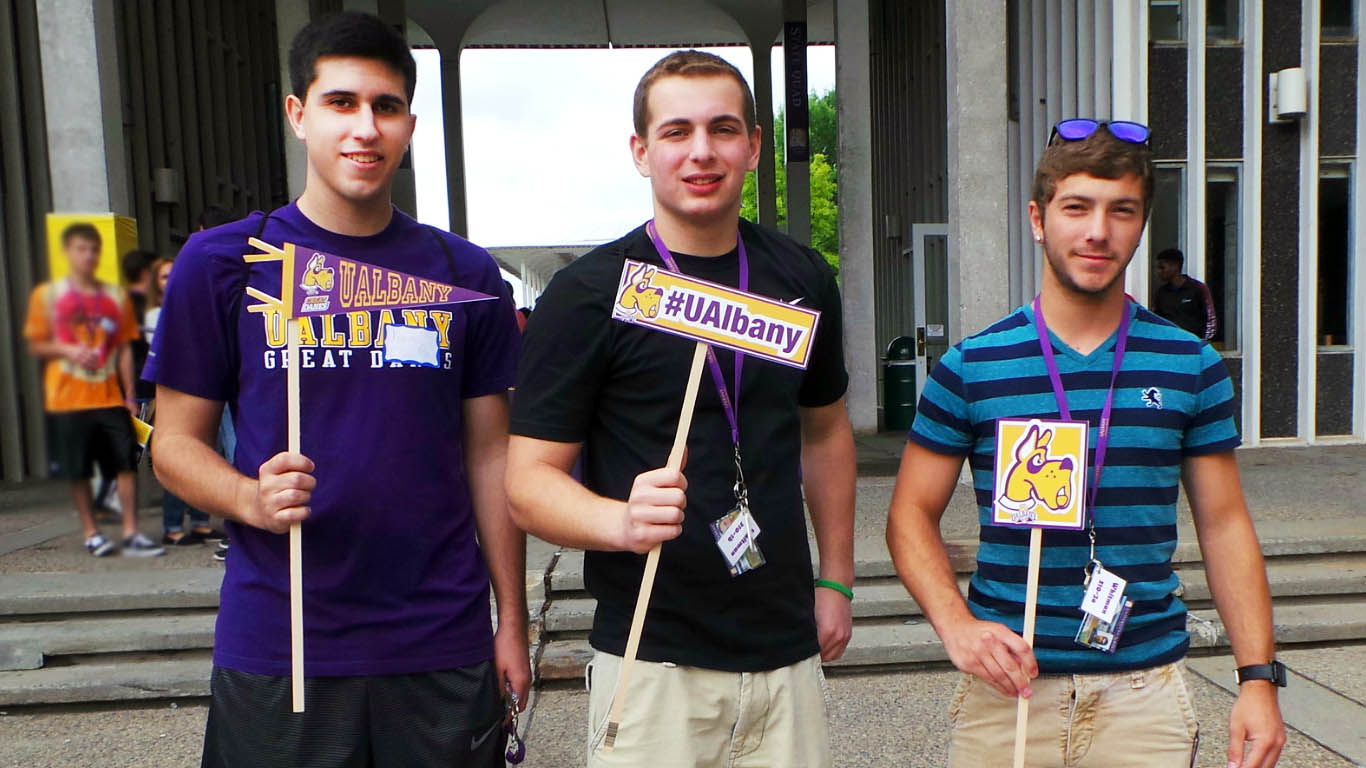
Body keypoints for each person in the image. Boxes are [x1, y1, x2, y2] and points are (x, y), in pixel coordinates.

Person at [144, 12, 529, 766]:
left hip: (438, 637)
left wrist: (509, 617)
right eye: (341, 103)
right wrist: (248, 497)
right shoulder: (226, 263)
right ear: (298, 114)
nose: (365, 128)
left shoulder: (464, 274)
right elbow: (173, 445)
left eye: (385, 107)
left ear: (410, 124)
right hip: (282, 639)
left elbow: (490, 458)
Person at [886, 120, 1286, 767]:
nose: (1098, 231)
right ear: (1039, 219)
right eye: (1077, 207)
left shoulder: (1190, 364)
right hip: (1008, 689)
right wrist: (956, 625)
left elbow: (1225, 523)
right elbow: (909, 513)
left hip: (1142, 691)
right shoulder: (972, 366)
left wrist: (1258, 679)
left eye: (1120, 210)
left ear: (1141, 223)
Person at [506, 50, 856, 767]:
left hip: (784, 648)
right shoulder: (589, 293)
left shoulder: (802, 276)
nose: (702, 151)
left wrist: (837, 580)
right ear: (641, 151)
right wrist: (619, 521)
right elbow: (527, 482)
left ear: (754, 147)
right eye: (676, 132)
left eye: (724, 129)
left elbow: (825, 432)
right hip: (652, 657)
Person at [23, 223, 165, 557]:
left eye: (93, 249)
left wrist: (130, 394)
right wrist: (67, 350)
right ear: (67, 253)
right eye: (81, 249)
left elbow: (124, 350)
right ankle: (91, 532)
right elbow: (36, 345)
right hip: (67, 398)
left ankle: (131, 532)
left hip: (109, 396)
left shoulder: (114, 297)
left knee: (125, 464)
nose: (88, 255)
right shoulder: (48, 296)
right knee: (80, 469)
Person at [143, 257, 225, 547]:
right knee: (177, 456)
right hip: (172, 390)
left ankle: (201, 523)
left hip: (208, 387)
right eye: (164, 277)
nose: (171, 281)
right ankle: (173, 526)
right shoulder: (155, 316)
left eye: (173, 275)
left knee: (209, 454)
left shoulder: (200, 306)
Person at [1154, 247, 1217, 340]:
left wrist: (1203, 343)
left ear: (1175, 266)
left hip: (1193, 344)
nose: (1159, 272)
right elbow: (1157, 320)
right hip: (1170, 344)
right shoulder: (1161, 293)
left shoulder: (1198, 289)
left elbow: (1210, 320)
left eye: (1162, 267)